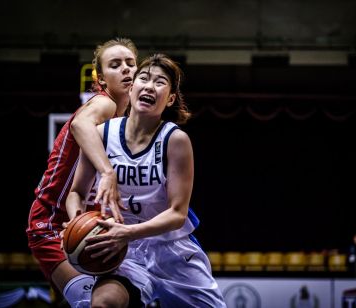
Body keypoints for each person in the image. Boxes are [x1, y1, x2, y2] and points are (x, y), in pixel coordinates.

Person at [66, 53, 227, 307]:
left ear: (170, 98)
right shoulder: (102, 135)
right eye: (144, 78)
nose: (150, 86)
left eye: (160, 82)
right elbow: (76, 192)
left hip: (171, 250)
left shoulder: (175, 140)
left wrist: (128, 233)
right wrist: (77, 220)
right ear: (132, 89)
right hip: (122, 252)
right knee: (103, 304)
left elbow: (177, 214)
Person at [26, 37, 138, 307]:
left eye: (131, 63)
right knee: (91, 301)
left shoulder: (126, 121)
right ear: (100, 77)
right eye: (115, 65)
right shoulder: (104, 104)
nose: (126, 69)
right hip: (50, 222)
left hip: (79, 220)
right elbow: (80, 126)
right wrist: (107, 172)